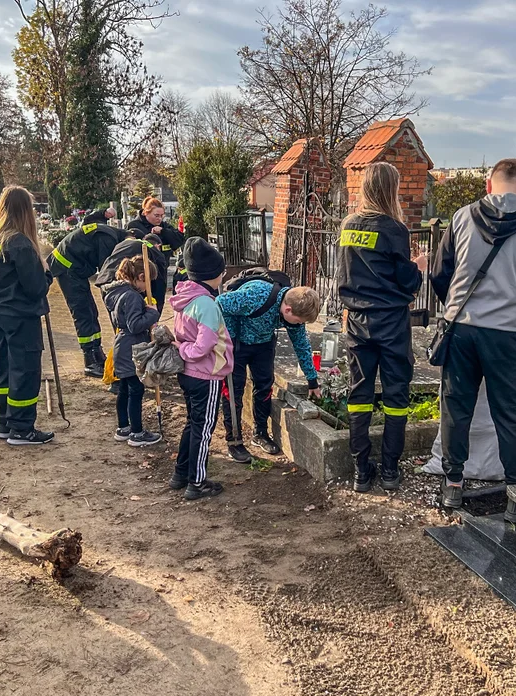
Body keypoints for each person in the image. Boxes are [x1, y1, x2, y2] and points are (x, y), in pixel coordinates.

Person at [430, 158, 516, 510]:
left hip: (462, 329)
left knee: (456, 409)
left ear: (489, 185)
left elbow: (440, 274)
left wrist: (456, 304)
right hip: (507, 333)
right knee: (509, 413)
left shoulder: (461, 217)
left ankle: (453, 483)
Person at [336, 162, 428, 493]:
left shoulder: (348, 227)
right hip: (391, 322)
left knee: (359, 395)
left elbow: (343, 277)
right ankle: (390, 470)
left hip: (357, 321)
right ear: (392, 189)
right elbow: (405, 283)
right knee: (395, 396)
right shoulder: (394, 230)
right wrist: (418, 267)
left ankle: (361, 470)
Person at [0, 186, 55, 446]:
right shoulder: (19, 242)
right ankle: (22, 428)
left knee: (5, 367)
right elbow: (35, 288)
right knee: (26, 369)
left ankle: (5, 422)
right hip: (19, 315)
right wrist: (47, 275)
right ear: (25, 211)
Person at [217, 281, 322, 463]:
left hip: (264, 344)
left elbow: (301, 345)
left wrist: (312, 379)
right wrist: (230, 338)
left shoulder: (293, 313)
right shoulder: (256, 296)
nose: (300, 324)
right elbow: (219, 303)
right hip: (237, 344)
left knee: (265, 386)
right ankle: (234, 441)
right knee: (234, 390)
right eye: (299, 321)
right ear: (288, 310)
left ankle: (260, 433)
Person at [168, 238, 234, 500]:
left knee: (192, 424)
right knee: (204, 429)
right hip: (206, 374)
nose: (224, 274)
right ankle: (197, 482)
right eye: (222, 271)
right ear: (213, 274)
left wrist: (183, 352)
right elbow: (202, 346)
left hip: (189, 373)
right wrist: (184, 351)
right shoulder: (207, 304)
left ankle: (180, 473)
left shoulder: (186, 297)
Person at [102, 255, 163, 447]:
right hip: (131, 347)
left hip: (123, 345)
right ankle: (136, 432)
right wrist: (152, 313)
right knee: (136, 390)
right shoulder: (132, 296)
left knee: (125, 389)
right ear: (141, 277)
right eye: (149, 282)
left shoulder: (119, 293)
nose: (148, 287)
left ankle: (123, 427)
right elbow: (135, 325)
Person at [48, 222, 120, 377]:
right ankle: (90, 361)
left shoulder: (112, 235)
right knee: (83, 313)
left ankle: (97, 354)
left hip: (75, 268)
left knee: (91, 311)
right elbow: (106, 276)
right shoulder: (108, 240)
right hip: (67, 268)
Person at [95, 231, 170, 314]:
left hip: (106, 281)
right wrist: (156, 311)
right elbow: (160, 285)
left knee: (119, 316)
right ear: (158, 246)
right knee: (135, 315)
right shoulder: (156, 253)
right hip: (124, 282)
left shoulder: (125, 244)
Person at [126, 196, 185, 265]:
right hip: (141, 267)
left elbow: (178, 240)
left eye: (162, 215)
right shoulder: (134, 226)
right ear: (146, 213)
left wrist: (163, 231)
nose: (160, 219)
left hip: (162, 266)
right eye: (156, 215)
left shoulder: (164, 226)